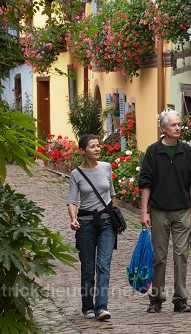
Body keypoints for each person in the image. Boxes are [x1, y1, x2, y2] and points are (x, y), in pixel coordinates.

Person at [138, 109, 191, 313]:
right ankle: (156, 298)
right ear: (163, 128)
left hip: (182, 209)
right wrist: (144, 212)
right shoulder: (153, 152)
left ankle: (180, 299)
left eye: (179, 124)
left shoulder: (186, 151)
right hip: (159, 211)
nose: (177, 128)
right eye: (173, 125)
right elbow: (145, 183)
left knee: (181, 254)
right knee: (159, 256)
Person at [67, 133, 117, 321]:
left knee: (103, 265)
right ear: (83, 151)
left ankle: (101, 307)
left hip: (106, 222)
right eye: (92, 146)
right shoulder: (76, 174)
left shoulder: (106, 167)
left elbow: (111, 194)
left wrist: (116, 218)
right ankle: (87, 306)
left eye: (98, 145)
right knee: (88, 267)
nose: (97, 149)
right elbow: (72, 200)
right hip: (85, 223)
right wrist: (73, 219)